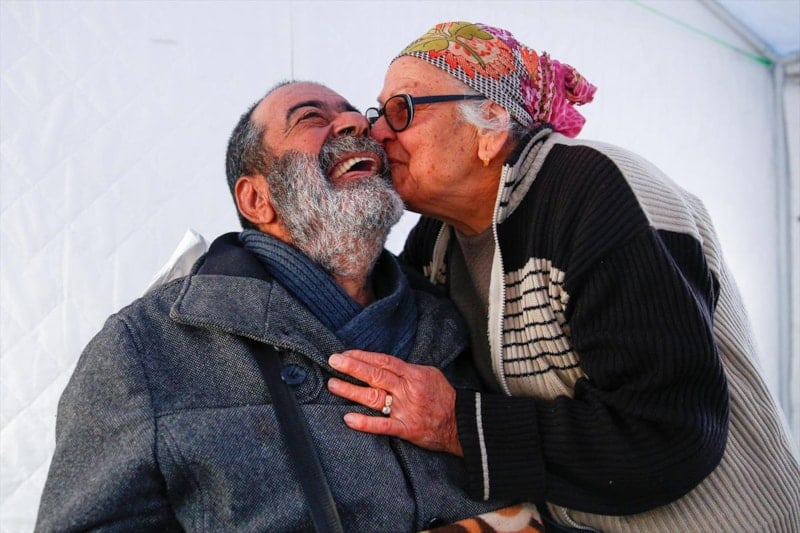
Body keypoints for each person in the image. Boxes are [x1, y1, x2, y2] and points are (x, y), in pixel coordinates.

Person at [326, 21, 800, 531]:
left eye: (401, 111)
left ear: (490, 122)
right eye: (378, 114)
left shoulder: (595, 193)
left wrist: (457, 425)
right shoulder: (438, 242)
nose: (377, 132)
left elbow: (667, 430)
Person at [34, 80, 539, 532]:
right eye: (311, 117)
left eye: (354, 111)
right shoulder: (145, 349)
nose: (357, 122)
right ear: (257, 200)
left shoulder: (459, 318)